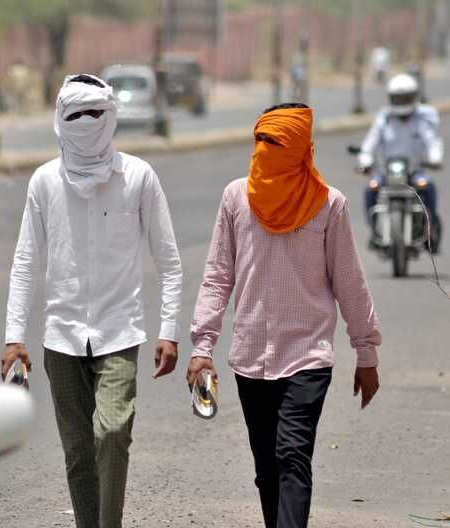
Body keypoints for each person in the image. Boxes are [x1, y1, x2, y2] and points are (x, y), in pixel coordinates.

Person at [188, 103, 382, 528]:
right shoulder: (235, 197)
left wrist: (366, 353)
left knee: (292, 455)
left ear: (301, 150)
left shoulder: (330, 205)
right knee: (267, 469)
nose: (266, 149)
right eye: (261, 140)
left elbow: (349, 281)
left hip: (308, 356)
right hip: (250, 357)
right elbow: (218, 276)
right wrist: (202, 348)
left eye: (277, 142)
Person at [2, 73, 182, 528]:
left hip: (119, 332)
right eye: (76, 114)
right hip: (61, 337)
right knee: (78, 450)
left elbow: (170, 260)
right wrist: (13, 338)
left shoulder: (139, 176)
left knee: (113, 432)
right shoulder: (44, 182)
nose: (86, 122)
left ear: (111, 114)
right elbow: (26, 261)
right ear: (60, 120)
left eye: (94, 113)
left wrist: (169, 331)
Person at [358, 73, 443, 253]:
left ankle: (431, 226)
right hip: (387, 172)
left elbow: (432, 141)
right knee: (370, 189)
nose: (402, 101)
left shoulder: (421, 120)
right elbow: (369, 143)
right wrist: (365, 160)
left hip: (414, 171)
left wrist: (436, 158)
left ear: (413, 97)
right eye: (398, 97)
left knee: (428, 187)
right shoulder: (384, 119)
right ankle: (375, 231)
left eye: (405, 97)